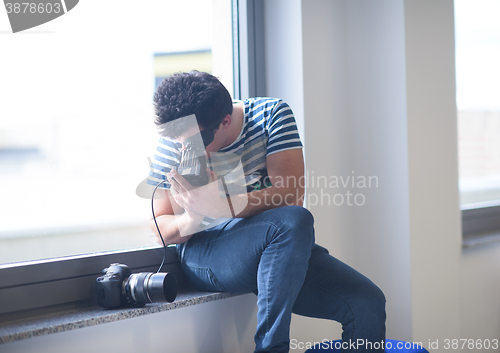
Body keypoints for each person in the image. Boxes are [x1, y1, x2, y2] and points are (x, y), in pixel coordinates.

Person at [147, 71, 386, 353]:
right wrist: (194, 216)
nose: (187, 149)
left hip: (275, 243)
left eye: (194, 142)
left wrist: (225, 205)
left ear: (224, 122)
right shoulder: (176, 140)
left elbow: (291, 195)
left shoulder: (270, 115)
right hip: (206, 252)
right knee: (292, 223)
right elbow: (159, 225)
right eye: (181, 143)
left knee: (366, 302)